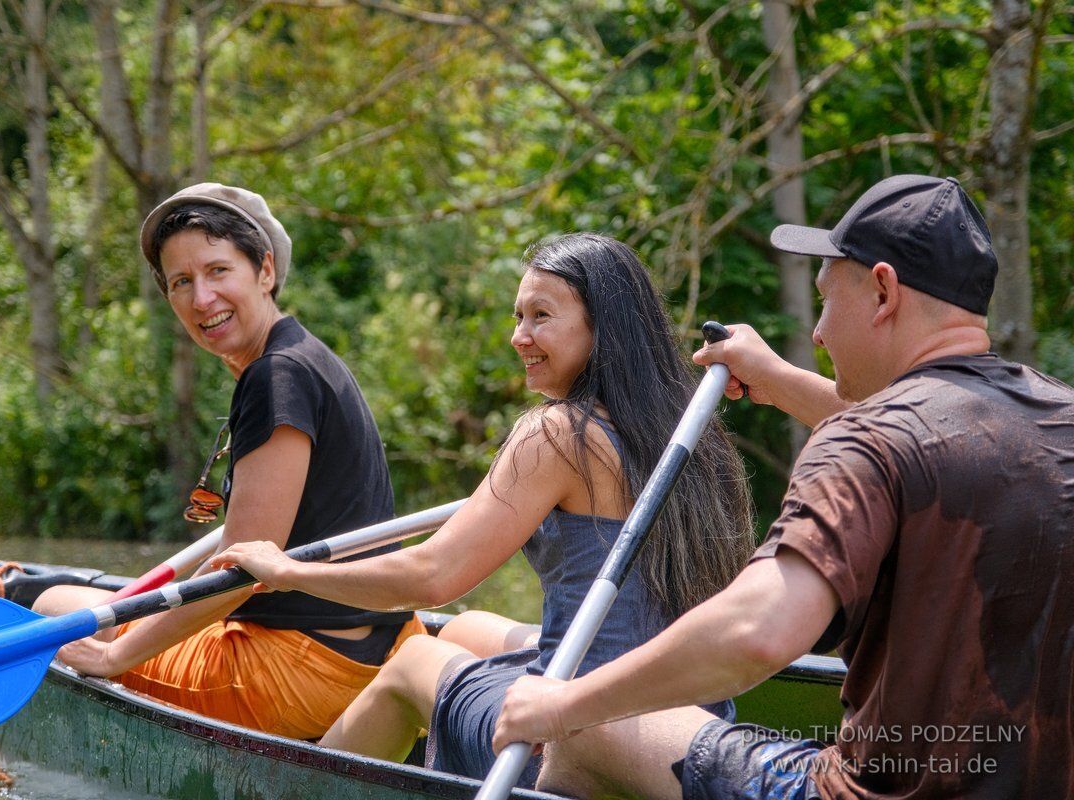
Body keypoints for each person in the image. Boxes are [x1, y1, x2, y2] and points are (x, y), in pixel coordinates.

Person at [491, 174, 1074, 799]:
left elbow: (757, 633)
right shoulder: (1057, 419)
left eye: (826, 301)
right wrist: (775, 376)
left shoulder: (864, 441)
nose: (818, 334)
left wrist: (565, 703)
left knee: (588, 730)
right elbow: (942, 438)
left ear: (883, 291)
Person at [211, 232, 755, 787]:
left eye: (541, 316)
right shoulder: (691, 433)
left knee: (411, 662)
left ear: (603, 329)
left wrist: (287, 572)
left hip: (578, 738)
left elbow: (430, 577)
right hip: (694, 727)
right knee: (468, 628)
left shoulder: (560, 433)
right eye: (519, 316)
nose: (519, 337)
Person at [33, 182, 425, 738]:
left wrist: (116, 657)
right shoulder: (305, 357)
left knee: (53, 606)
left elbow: (239, 577)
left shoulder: (277, 376)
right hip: (377, 646)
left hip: (300, 673)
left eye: (219, 271)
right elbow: (247, 548)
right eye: (181, 283)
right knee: (95, 609)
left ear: (265, 270)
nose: (201, 300)